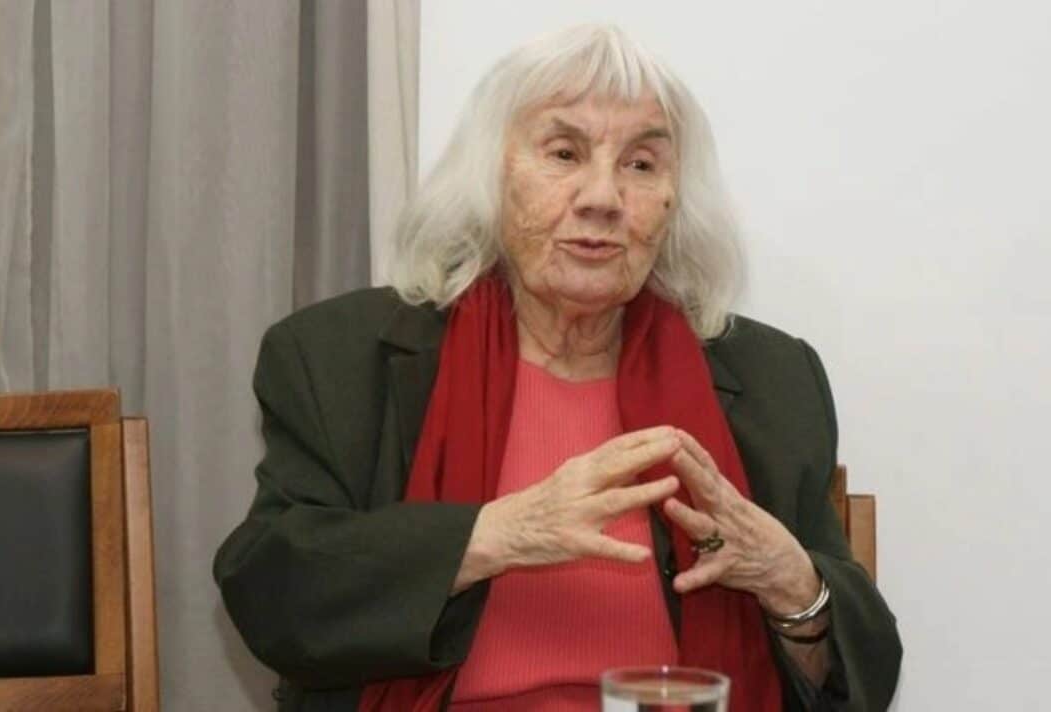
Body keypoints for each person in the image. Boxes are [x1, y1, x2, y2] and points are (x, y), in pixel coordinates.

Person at [214, 24, 901, 712]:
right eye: (565, 153)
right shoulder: (340, 357)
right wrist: (497, 535)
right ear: (491, 177)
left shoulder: (772, 379)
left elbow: (857, 680)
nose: (603, 197)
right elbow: (273, 589)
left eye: (641, 164)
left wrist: (795, 587)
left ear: (675, 201)